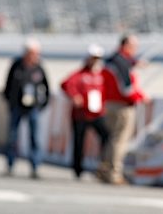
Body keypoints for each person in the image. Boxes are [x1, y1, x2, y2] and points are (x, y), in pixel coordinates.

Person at [99, 34, 148, 184]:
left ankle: (104, 170)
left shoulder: (112, 59)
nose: (135, 50)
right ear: (127, 45)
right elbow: (126, 89)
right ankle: (114, 173)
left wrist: (134, 63)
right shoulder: (122, 62)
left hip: (109, 103)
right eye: (134, 47)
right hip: (122, 106)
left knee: (112, 139)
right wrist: (141, 97)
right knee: (120, 140)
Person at [3, 38, 50, 178]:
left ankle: (35, 167)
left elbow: (46, 88)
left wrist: (42, 104)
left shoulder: (39, 67)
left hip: (33, 107)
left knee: (35, 138)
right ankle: (10, 165)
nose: (35, 56)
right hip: (17, 106)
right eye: (32, 53)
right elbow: (7, 86)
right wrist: (10, 102)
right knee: (12, 137)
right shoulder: (16, 66)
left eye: (36, 53)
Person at [61, 44, 109, 179]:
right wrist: (75, 96)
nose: (95, 60)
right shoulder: (80, 74)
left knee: (107, 137)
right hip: (81, 114)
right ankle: (78, 169)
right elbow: (65, 84)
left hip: (97, 113)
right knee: (79, 142)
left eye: (97, 58)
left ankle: (103, 165)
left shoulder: (101, 74)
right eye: (93, 58)